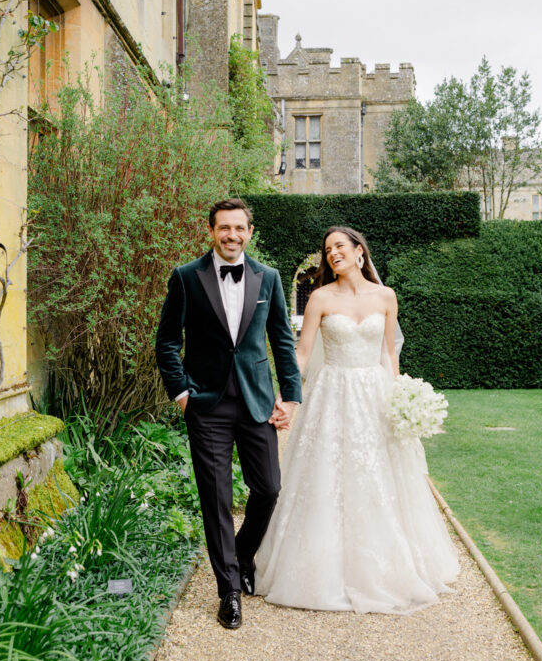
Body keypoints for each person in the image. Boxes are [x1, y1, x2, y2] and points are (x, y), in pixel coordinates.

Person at [256, 226, 459, 614]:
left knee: (379, 474)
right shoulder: (319, 298)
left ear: (359, 251)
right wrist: (284, 394)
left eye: (339, 247)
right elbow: (301, 353)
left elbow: (390, 355)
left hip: (375, 394)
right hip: (331, 393)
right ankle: (320, 568)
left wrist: (403, 397)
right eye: (327, 250)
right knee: (326, 474)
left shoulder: (386, 296)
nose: (332, 254)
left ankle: (387, 567)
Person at [156, 199, 302, 629]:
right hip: (208, 404)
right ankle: (229, 592)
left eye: (239, 228)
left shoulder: (269, 278)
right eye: (224, 228)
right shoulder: (186, 277)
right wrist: (182, 392)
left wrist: (289, 395)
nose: (231, 235)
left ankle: (241, 556)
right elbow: (167, 341)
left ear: (250, 232)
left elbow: (281, 340)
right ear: (211, 231)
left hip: (257, 401)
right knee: (215, 498)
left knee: (269, 488)